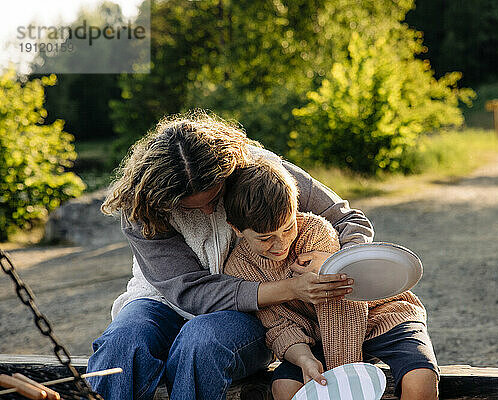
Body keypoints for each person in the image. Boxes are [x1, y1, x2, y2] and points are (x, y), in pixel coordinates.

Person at [86, 110, 374, 400]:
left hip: (247, 314)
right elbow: (191, 292)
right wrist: (290, 288)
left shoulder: (262, 172)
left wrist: (334, 260)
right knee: (123, 343)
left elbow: (348, 220)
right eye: (190, 208)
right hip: (160, 303)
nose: (210, 212)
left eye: (214, 198)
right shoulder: (143, 205)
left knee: (200, 342)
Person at [223, 159, 439, 400]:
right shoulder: (238, 268)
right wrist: (304, 357)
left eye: (287, 228)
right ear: (236, 229)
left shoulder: (316, 232)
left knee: (419, 379)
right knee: (285, 387)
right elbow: (277, 325)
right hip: (319, 337)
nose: (281, 243)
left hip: (381, 315)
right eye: (265, 238)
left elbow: (343, 308)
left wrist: (344, 380)